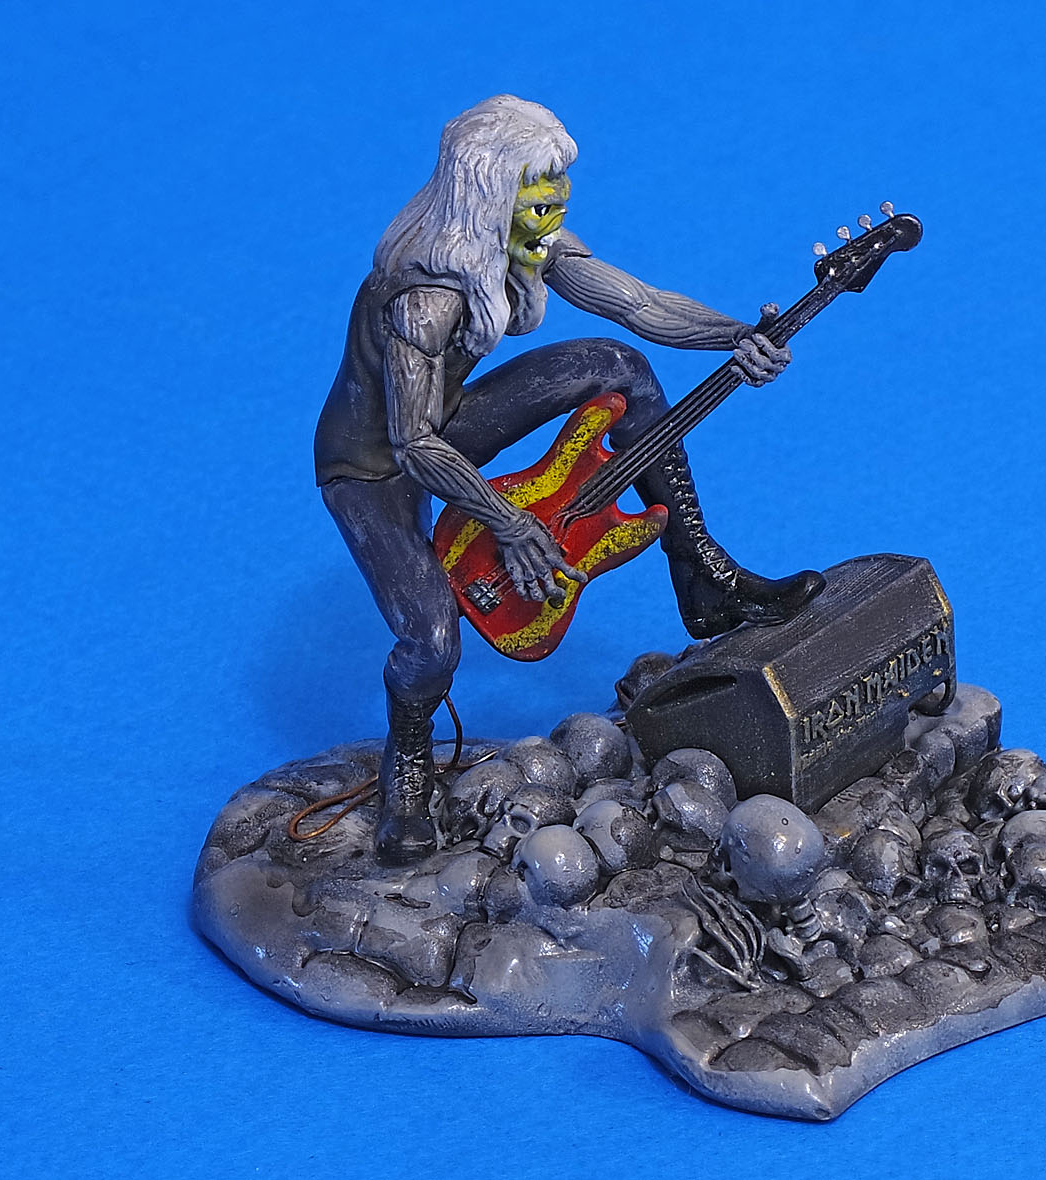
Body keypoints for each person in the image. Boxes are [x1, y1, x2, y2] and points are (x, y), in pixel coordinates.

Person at [314, 95, 823, 863]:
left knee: (622, 368)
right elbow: (412, 444)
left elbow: (640, 305)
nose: (555, 209)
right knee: (432, 640)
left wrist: (737, 335)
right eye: (539, 194)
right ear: (489, 198)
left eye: (559, 192)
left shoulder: (527, 242)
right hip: (373, 465)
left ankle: (702, 572)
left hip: (447, 422)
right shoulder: (425, 298)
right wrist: (510, 522)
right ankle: (407, 766)